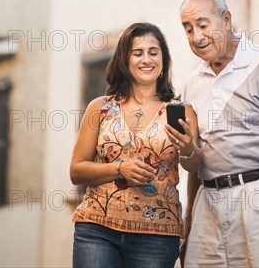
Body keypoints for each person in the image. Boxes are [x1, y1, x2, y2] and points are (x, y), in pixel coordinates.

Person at [169, 0, 259, 267]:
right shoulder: (192, 82)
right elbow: (196, 158)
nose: (197, 36)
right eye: (188, 29)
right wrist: (190, 218)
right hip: (208, 201)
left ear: (227, 19)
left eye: (203, 24)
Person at [70, 22, 200, 268]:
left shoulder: (181, 111)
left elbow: (195, 167)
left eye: (153, 52)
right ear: (124, 60)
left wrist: (188, 148)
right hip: (97, 228)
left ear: (163, 59)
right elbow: (76, 171)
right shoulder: (100, 108)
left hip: (157, 235)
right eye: (137, 53)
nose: (146, 59)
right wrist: (119, 168)